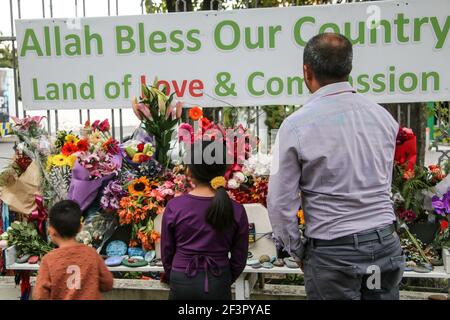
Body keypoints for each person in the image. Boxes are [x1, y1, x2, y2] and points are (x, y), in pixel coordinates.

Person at [267, 33, 405, 300]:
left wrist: (297, 250)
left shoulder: (295, 126)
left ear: (307, 71)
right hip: (384, 245)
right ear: (349, 69)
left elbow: (278, 203)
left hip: (334, 255)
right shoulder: (382, 117)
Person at [161, 140, 249, 300]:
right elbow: (239, 258)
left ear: (190, 171)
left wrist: (174, 275)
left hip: (181, 278)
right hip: (218, 278)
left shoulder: (175, 206)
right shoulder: (236, 209)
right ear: (224, 170)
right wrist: (225, 278)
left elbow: (166, 253)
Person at [33, 200, 114, 300]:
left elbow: (40, 296)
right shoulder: (91, 254)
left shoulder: (48, 260)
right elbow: (108, 283)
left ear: (51, 231)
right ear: (80, 228)